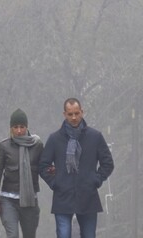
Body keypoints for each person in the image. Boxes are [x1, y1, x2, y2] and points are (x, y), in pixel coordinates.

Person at [39, 98, 115, 238]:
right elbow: (43, 165)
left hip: (88, 196)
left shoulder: (95, 137)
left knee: (89, 235)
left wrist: (96, 180)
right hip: (63, 196)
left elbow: (108, 163)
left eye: (76, 113)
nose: (74, 117)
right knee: (63, 234)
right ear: (64, 114)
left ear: (82, 112)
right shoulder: (55, 139)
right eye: (70, 114)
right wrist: (55, 183)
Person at [0, 108, 45, 238]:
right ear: (11, 128)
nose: (19, 131)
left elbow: (44, 168)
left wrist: (53, 173)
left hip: (30, 202)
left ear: (27, 127)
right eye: (15, 127)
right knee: (12, 235)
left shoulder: (37, 145)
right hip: (8, 200)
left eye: (22, 127)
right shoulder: (4, 146)